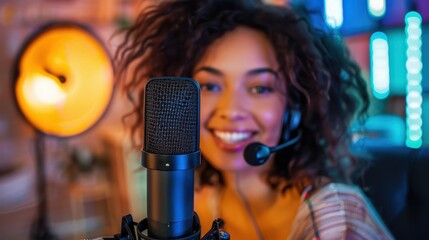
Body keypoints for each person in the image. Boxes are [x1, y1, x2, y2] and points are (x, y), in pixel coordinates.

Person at [114, 0, 394, 239]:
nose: (231, 110)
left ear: (295, 110)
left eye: (260, 88)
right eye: (210, 86)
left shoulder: (335, 218)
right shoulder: (200, 204)